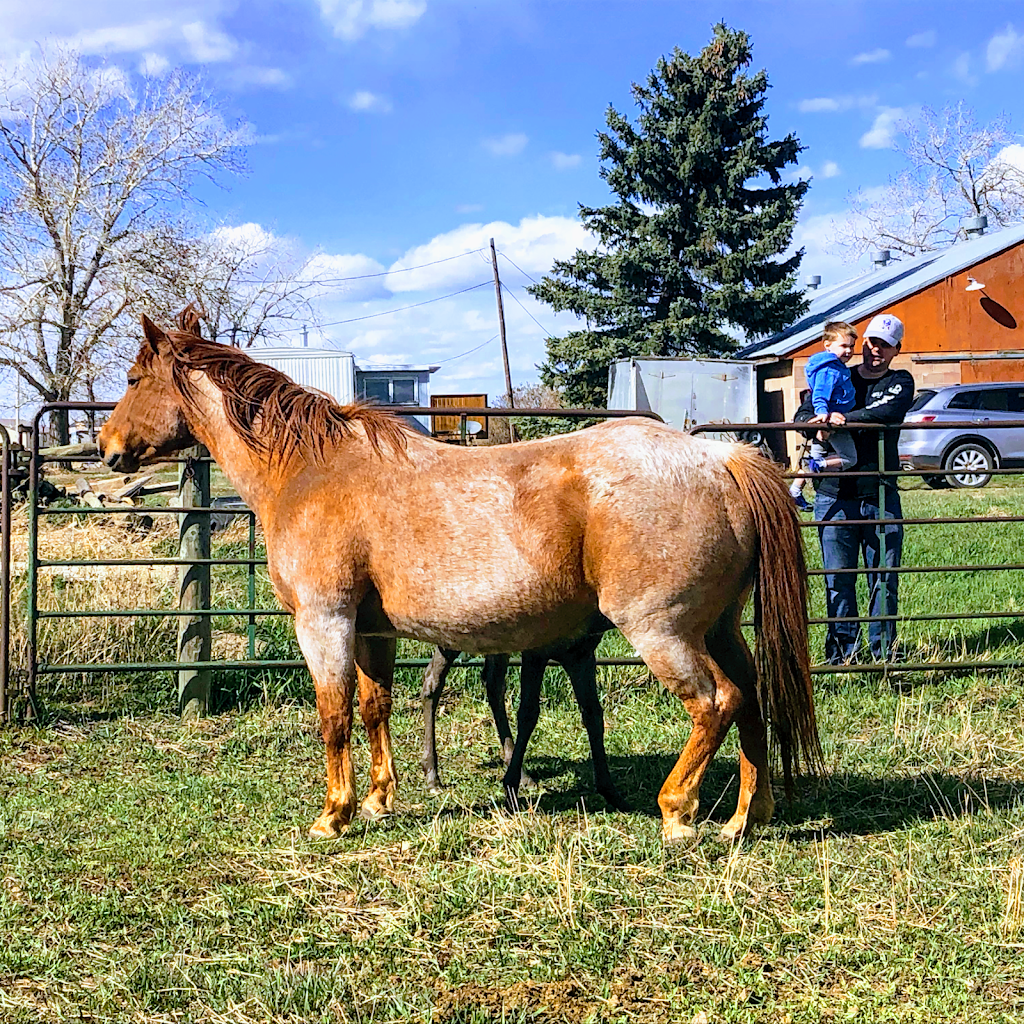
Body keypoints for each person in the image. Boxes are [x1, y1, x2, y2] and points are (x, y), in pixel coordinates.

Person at [807, 313, 915, 664]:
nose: (874, 350)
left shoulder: (899, 381)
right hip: (834, 496)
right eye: (870, 342)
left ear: (896, 350)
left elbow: (887, 413)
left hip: (879, 493)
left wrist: (842, 419)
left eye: (884, 345)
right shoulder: (839, 374)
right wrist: (816, 423)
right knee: (838, 578)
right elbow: (806, 409)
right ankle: (841, 653)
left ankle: (884, 652)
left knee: (883, 577)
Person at [790, 322, 858, 511]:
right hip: (834, 422)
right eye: (843, 346)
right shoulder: (830, 369)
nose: (848, 351)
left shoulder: (836, 366)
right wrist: (823, 416)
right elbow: (819, 395)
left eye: (851, 346)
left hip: (829, 420)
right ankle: (817, 465)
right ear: (827, 345)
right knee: (849, 458)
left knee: (816, 454)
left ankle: (795, 490)